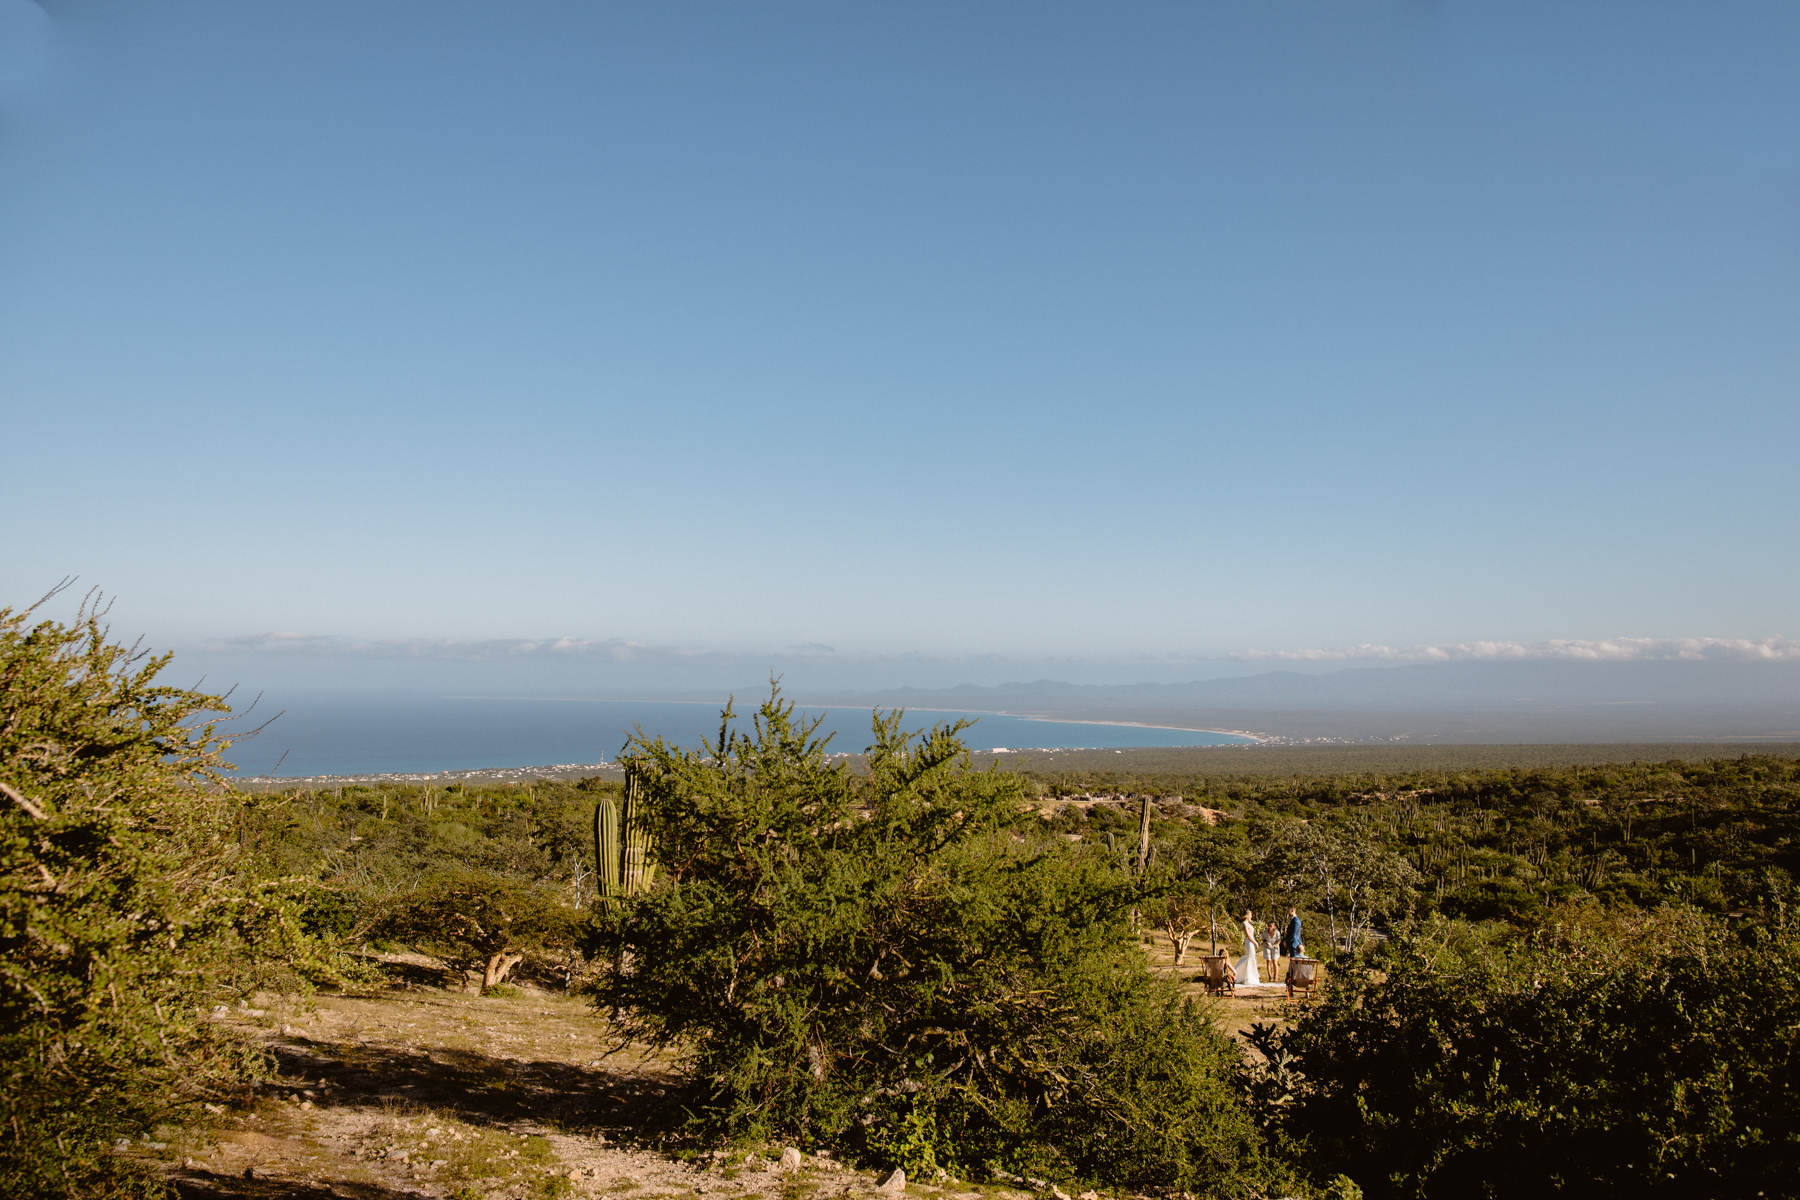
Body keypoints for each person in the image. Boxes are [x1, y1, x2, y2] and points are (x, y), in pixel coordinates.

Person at [1231, 908, 1262, 987]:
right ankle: (1237, 972)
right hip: (1249, 942)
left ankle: (1250, 976)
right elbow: (1248, 935)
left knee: (1251, 958)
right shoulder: (1244, 924)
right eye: (1250, 915)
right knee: (1248, 958)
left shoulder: (1249, 923)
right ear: (1247, 915)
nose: (1251, 916)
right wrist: (1255, 943)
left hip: (1251, 941)